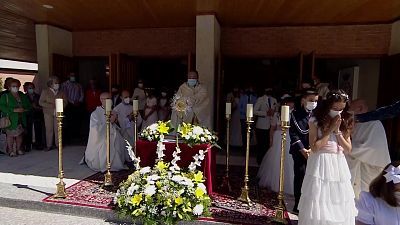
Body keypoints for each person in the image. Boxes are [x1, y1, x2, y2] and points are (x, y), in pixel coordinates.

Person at [298, 90, 357, 225]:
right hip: (320, 160)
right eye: (335, 108)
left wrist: (337, 133)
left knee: (337, 197)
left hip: (338, 161)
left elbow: (348, 149)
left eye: (341, 108)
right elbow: (315, 147)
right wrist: (330, 129)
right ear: (328, 105)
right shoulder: (315, 120)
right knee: (319, 195)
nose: (338, 111)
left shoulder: (346, 119)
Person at [348, 99, 391, 198]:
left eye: (350, 110)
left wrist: (349, 149)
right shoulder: (355, 123)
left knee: (368, 195)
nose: (349, 113)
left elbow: (372, 148)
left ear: (360, 108)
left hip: (371, 166)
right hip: (357, 164)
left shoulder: (375, 124)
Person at [258, 95, 295, 195]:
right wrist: (271, 140)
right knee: (276, 158)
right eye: (290, 102)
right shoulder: (277, 115)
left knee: (289, 158)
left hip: (290, 137)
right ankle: (275, 182)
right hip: (279, 136)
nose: (292, 104)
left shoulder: (294, 114)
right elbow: (272, 128)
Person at [82, 92, 129, 172]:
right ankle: (107, 164)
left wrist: (116, 121)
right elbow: (96, 131)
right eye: (107, 99)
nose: (109, 101)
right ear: (101, 100)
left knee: (120, 142)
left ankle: (119, 161)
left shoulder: (113, 111)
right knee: (107, 144)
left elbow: (120, 126)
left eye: (110, 99)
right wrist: (110, 122)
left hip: (114, 133)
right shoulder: (95, 114)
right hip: (102, 138)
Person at [289, 88, 318, 213]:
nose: (314, 103)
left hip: (315, 150)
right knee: (300, 176)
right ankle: (298, 204)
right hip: (300, 151)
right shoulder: (295, 114)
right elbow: (294, 134)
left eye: (316, 100)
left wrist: (312, 148)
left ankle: (311, 204)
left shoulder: (318, 114)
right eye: (311, 100)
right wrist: (303, 150)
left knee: (314, 177)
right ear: (303, 100)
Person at [0, 79, 32, 156]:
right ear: (9, 87)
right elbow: (2, 106)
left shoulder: (22, 95)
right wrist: (13, 110)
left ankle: (18, 149)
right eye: (13, 86)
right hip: (11, 119)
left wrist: (24, 109)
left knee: (20, 135)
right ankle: (11, 151)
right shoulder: (5, 96)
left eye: (17, 86)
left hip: (21, 118)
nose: (15, 87)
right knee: (10, 135)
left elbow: (29, 106)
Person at [39, 76, 68, 151]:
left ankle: (58, 145)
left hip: (58, 112)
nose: (57, 84)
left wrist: (60, 106)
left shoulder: (61, 92)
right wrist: (51, 105)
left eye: (58, 83)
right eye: (55, 83)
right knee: (49, 129)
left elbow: (65, 102)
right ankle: (49, 145)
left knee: (58, 129)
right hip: (48, 113)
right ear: (50, 84)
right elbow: (41, 102)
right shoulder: (45, 91)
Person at [254, 88, 277, 164]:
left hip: (271, 125)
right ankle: (260, 161)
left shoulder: (274, 100)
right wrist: (265, 113)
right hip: (261, 125)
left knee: (268, 144)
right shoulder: (260, 99)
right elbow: (255, 111)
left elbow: (276, 110)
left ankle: (266, 162)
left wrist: (274, 112)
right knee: (261, 144)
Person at [62, 72, 84, 144]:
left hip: (78, 105)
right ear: (68, 76)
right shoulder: (65, 85)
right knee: (69, 121)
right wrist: (72, 101)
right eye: (71, 75)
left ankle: (76, 137)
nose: (73, 77)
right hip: (69, 105)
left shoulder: (78, 85)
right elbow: (64, 95)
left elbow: (82, 94)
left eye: (74, 76)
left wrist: (79, 101)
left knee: (77, 121)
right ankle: (69, 138)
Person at [23, 82, 44, 151]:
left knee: (38, 130)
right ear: (26, 89)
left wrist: (36, 107)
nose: (31, 89)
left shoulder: (38, 96)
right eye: (29, 88)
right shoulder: (24, 97)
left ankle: (39, 144)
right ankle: (28, 145)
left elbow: (42, 107)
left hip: (37, 116)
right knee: (28, 131)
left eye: (32, 87)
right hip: (28, 116)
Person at [239, 85, 257, 150]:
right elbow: (239, 107)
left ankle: (249, 144)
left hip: (251, 117)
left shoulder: (255, 98)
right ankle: (244, 145)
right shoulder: (242, 97)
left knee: (250, 131)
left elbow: (256, 107)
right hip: (243, 117)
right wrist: (245, 112)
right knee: (243, 131)